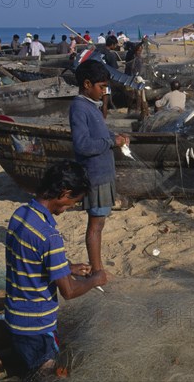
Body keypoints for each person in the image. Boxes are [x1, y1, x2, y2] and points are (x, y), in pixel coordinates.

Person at [0, 160, 107, 382]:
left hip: (15, 316)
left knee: (28, 357)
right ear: (64, 193)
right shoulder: (50, 235)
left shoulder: (21, 214)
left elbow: (30, 260)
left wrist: (67, 267)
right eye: (73, 202)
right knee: (46, 371)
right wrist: (96, 278)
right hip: (36, 324)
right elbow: (69, 291)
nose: (70, 207)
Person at [69, 60, 130, 272]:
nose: (104, 91)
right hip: (94, 175)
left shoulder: (90, 106)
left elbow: (99, 135)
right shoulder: (79, 107)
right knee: (95, 226)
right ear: (87, 84)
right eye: (101, 87)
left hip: (103, 174)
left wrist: (115, 137)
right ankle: (97, 270)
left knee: (99, 223)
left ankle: (97, 268)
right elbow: (82, 145)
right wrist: (111, 142)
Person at [124, 42, 148, 117]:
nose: (139, 52)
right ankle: (129, 109)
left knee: (139, 95)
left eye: (141, 51)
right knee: (131, 95)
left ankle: (138, 110)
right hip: (129, 77)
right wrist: (141, 42)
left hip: (138, 77)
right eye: (138, 51)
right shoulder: (130, 55)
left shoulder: (139, 57)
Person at [101, 36, 120, 119]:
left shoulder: (98, 51)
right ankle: (102, 121)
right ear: (112, 44)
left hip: (94, 81)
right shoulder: (111, 55)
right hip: (105, 82)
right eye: (115, 45)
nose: (115, 47)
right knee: (105, 103)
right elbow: (114, 70)